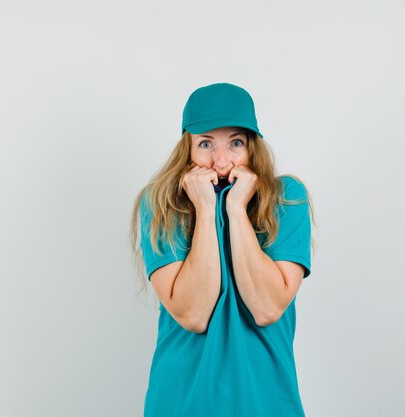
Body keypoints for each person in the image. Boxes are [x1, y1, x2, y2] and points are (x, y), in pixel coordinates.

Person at [129, 82, 317, 417]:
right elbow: (193, 314)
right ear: (186, 149)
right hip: (182, 402)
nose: (221, 160)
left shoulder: (287, 198)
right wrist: (204, 209)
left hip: (267, 402)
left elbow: (267, 308)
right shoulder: (162, 205)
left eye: (235, 143)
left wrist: (234, 209)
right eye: (205, 144)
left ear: (252, 148)